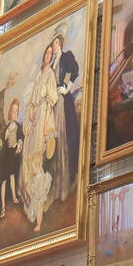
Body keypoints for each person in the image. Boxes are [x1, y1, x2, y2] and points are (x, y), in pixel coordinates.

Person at [23, 43, 61, 232]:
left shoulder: (50, 75)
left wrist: (43, 105)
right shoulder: (38, 75)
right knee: (30, 159)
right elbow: (30, 99)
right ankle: (31, 200)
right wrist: (31, 110)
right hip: (34, 118)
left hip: (44, 116)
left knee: (39, 156)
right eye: (46, 52)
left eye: (50, 53)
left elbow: (53, 97)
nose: (48, 55)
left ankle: (39, 205)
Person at [50, 33, 81, 195]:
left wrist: (66, 88)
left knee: (65, 135)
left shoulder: (66, 57)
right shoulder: (51, 63)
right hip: (53, 104)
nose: (54, 46)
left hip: (63, 101)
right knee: (54, 139)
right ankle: (57, 180)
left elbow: (75, 72)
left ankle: (70, 176)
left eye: (56, 42)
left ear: (61, 43)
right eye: (53, 43)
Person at [0, 97, 23, 218]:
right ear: (10, 112)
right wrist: (0, 143)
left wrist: (20, 145)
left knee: (12, 176)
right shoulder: (6, 127)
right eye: (13, 111)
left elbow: (21, 137)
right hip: (6, 156)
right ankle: (3, 207)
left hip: (13, 154)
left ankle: (15, 197)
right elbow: (1, 141)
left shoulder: (17, 125)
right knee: (4, 181)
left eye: (17, 111)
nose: (15, 113)